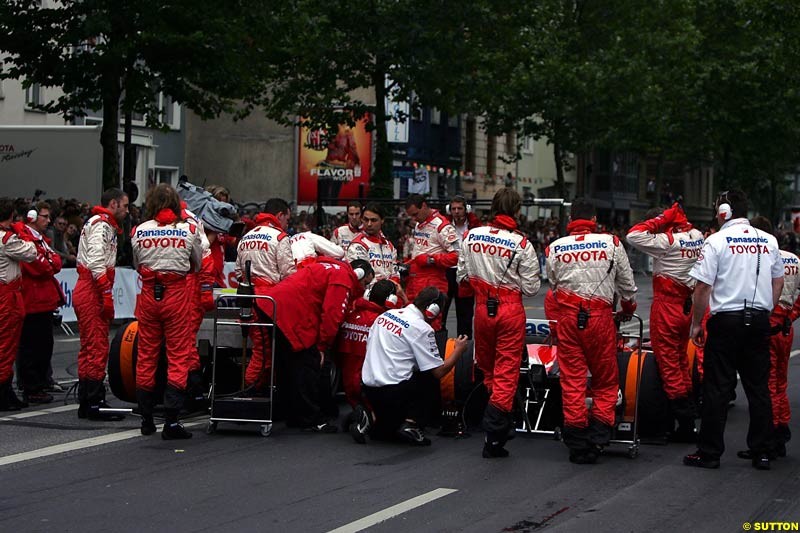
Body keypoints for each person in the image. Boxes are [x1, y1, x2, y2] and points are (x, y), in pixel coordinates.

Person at [684, 190, 783, 470]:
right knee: (759, 387)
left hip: (726, 320)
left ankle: (709, 452)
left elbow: (702, 287)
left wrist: (696, 324)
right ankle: (762, 451)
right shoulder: (769, 240)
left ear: (724, 212)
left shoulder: (716, 241)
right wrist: (767, 309)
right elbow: (778, 282)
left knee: (718, 387)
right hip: (759, 319)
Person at [545, 199, 637, 464]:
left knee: (572, 379)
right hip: (600, 318)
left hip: (569, 318)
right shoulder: (612, 243)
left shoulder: (554, 247)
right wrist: (628, 307)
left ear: (571, 218)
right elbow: (627, 286)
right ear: (594, 219)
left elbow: (553, 284)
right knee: (605, 380)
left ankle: (576, 442)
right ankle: (598, 437)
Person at [457, 188, 541, 458]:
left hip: (482, 309)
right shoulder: (521, 243)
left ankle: (503, 426)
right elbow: (531, 289)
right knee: (506, 372)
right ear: (516, 211)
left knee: (488, 369)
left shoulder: (471, 235)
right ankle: (494, 431)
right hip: (509, 311)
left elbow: (462, 277)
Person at [254, 258, 374, 432]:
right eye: (365, 283)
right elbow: (332, 315)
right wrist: (322, 347)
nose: (364, 288)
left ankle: (291, 413)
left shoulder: (329, 267)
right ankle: (309, 419)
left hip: (271, 304)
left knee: (286, 364)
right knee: (308, 362)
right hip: (290, 312)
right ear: (359, 275)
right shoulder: (343, 278)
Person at [626, 203, 704, 441]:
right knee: (680, 360)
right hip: (686, 305)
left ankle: (684, 422)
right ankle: (689, 414)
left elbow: (633, 235)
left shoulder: (668, 242)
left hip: (668, 307)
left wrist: (660, 219)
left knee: (669, 364)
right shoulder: (697, 235)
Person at [131, 184, 204, 439]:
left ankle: (146, 418)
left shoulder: (139, 230)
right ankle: (172, 421)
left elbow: (136, 263)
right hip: (175, 293)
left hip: (149, 294)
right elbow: (197, 263)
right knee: (178, 354)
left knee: (146, 354)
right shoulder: (189, 229)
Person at [357, 287, 468, 445]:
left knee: (383, 435)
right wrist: (458, 350)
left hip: (368, 388)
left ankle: (370, 416)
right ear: (432, 309)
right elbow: (438, 372)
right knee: (429, 375)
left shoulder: (387, 315)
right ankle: (413, 423)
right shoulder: (422, 328)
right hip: (394, 392)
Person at [73, 188, 129, 421]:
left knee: (90, 346)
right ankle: (94, 402)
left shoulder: (98, 222)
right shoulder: (102, 225)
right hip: (92, 289)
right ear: (114, 203)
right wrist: (106, 293)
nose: (127, 210)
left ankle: (88, 400)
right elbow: (96, 261)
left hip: (88, 287)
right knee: (96, 347)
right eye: (125, 206)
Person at [750, 216, 800, 458]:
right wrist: (791, 315)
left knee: (767, 384)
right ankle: (781, 431)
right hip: (786, 328)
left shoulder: (764, 258)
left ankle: (769, 437)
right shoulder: (795, 260)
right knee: (780, 383)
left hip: (767, 327)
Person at [239, 198, 296, 389]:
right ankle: (249, 393)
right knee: (264, 352)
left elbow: (239, 273)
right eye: (287, 220)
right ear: (279, 216)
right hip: (268, 301)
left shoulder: (246, 236)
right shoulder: (280, 238)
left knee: (261, 348)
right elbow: (289, 275)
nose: (287, 224)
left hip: (247, 299)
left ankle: (260, 394)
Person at [15, 202, 64, 405]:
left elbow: (56, 262)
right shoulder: (25, 239)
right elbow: (39, 267)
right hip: (32, 301)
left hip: (42, 301)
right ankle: (31, 387)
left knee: (43, 345)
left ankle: (39, 383)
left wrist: (49, 262)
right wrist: (49, 262)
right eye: (44, 216)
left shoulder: (40, 240)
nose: (48, 220)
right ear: (33, 217)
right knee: (31, 347)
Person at [335, 280, 399, 429]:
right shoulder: (382, 322)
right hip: (367, 379)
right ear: (391, 301)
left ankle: (361, 414)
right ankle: (368, 420)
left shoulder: (351, 313)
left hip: (346, 377)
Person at [0, 198, 38, 411]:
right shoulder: (7, 239)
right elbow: (31, 252)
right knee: (6, 345)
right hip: (7, 296)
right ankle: (3, 393)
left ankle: (6, 390)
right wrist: (22, 232)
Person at [404, 194, 459, 330]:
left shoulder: (442, 226)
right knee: (410, 322)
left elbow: (458, 255)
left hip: (434, 281)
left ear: (423, 206)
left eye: (415, 214)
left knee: (431, 325)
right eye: (411, 216)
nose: (414, 218)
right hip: (415, 279)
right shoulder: (419, 224)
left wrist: (431, 259)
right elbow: (419, 252)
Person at [346, 203, 404, 298]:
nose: (369, 224)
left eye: (373, 220)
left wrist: (394, 285)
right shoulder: (358, 245)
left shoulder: (389, 246)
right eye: (366, 220)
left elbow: (395, 272)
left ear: (382, 220)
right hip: (367, 298)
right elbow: (361, 280)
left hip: (389, 297)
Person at [446, 195, 482, 337]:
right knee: (441, 311)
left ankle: (465, 350)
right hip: (448, 270)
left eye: (459, 208)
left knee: (465, 314)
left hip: (466, 273)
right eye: (453, 208)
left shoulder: (475, 226)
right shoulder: (444, 226)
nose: (456, 212)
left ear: (466, 209)